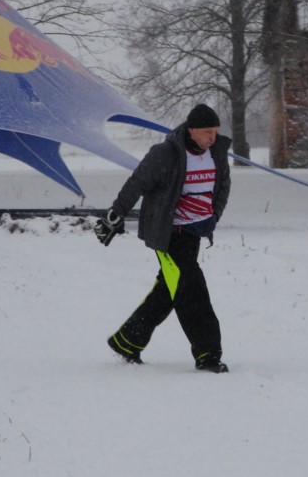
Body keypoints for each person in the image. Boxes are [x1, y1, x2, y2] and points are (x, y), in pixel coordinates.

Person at [95, 104, 232, 373]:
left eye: (215, 131)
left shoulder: (216, 154)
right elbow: (136, 184)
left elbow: (223, 186)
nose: (213, 137)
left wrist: (214, 215)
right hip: (169, 235)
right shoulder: (165, 154)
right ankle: (208, 354)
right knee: (192, 290)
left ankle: (127, 341)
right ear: (192, 130)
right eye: (207, 132)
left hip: (194, 233)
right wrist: (115, 215)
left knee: (170, 289)